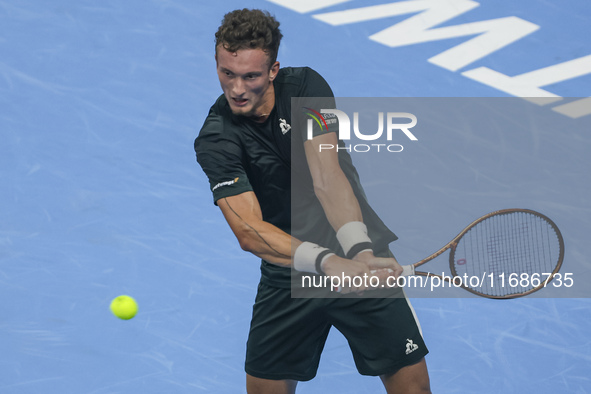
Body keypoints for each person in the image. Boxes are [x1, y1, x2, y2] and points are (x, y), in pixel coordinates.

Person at [194, 8, 431, 394]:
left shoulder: (305, 87)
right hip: (287, 273)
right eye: (227, 73)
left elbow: (327, 176)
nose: (237, 88)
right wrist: (327, 263)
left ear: (273, 71)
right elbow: (249, 231)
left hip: (356, 255)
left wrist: (358, 250)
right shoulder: (216, 139)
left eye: (250, 76)